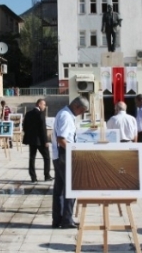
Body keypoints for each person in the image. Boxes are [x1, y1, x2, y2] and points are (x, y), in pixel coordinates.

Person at [52, 96, 89, 229]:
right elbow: (62, 139)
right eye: (82, 111)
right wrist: (73, 152)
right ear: (76, 106)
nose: (82, 114)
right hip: (64, 155)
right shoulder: (66, 116)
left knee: (60, 190)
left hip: (60, 155)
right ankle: (66, 219)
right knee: (70, 188)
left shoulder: (64, 114)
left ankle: (58, 219)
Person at [23, 99, 53, 182]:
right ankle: (47, 175)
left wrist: (30, 135)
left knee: (32, 158)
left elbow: (24, 127)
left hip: (31, 140)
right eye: (43, 104)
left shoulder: (28, 114)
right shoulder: (40, 114)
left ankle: (33, 177)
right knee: (46, 157)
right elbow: (43, 129)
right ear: (39, 104)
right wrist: (46, 141)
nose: (44, 107)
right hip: (40, 140)